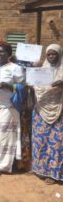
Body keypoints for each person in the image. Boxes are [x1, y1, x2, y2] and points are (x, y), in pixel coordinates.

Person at [0, 41, 24, 178]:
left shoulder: (15, 68)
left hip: (8, 108)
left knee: (4, 138)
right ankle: (4, 162)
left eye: (2, 51)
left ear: (9, 53)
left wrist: (8, 86)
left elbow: (23, 87)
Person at [32, 44, 63, 184]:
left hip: (59, 110)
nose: (51, 57)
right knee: (41, 140)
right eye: (48, 54)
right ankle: (40, 169)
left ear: (59, 55)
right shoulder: (41, 70)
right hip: (41, 109)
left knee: (56, 144)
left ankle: (53, 173)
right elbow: (35, 86)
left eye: (54, 54)